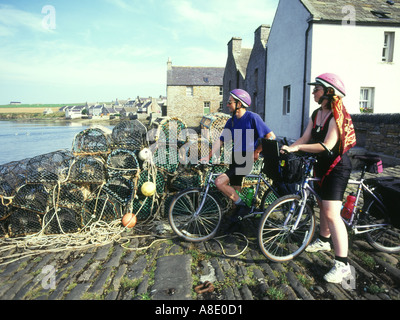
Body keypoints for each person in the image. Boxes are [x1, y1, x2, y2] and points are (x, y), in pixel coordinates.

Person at [280, 73, 356, 283]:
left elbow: (328, 145)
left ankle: (343, 265)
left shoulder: (336, 114)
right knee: (322, 205)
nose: (313, 92)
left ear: (329, 93)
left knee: (332, 213)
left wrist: (299, 147)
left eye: (317, 89)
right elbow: (306, 137)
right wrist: (291, 148)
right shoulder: (316, 113)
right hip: (320, 164)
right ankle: (324, 240)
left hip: (337, 167)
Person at [201, 89, 276, 227]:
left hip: (246, 159)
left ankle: (244, 208)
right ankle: (239, 221)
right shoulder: (232, 121)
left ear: (239, 104)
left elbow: (271, 136)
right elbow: (221, 140)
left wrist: (257, 151)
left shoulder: (253, 118)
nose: (227, 104)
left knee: (219, 182)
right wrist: (208, 156)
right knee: (236, 191)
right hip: (235, 158)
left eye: (230, 102)